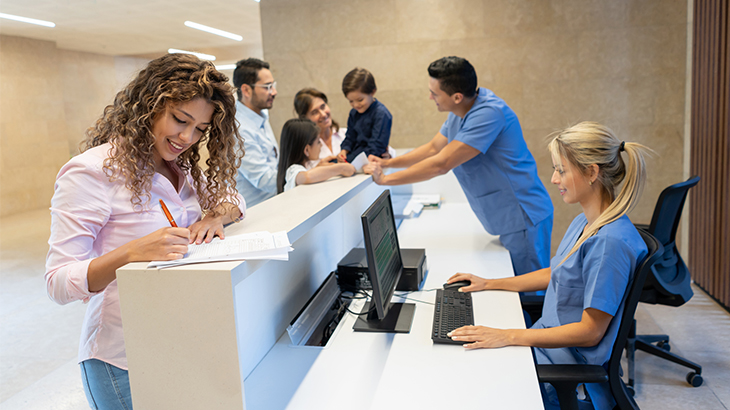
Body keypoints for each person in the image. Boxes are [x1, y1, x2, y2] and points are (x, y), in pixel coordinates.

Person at [44, 53, 246, 410]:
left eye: (200, 129)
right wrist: (131, 253)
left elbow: (234, 197)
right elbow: (58, 282)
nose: (187, 137)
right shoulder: (91, 172)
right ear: (148, 105)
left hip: (180, 343)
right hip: (122, 359)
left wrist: (215, 216)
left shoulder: (180, 167)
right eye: (180, 120)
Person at [446, 122, 650, 410]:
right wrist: (490, 283)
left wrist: (507, 336)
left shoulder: (609, 243)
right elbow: (559, 271)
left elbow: (590, 332)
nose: (554, 179)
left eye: (561, 170)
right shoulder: (587, 221)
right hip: (547, 349)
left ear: (591, 172)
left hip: (567, 375)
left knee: (469, 386)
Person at [364, 56, 553, 275]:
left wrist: (385, 180)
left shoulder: (489, 114)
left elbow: (441, 164)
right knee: (514, 285)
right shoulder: (462, 110)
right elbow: (433, 148)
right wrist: (387, 163)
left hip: (523, 215)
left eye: (435, 93)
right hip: (507, 216)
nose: (430, 97)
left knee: (527, 293)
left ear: (456, 96)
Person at [294, 87, 396, 161]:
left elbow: (386, 149)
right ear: (304, 118)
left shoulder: (346, 134)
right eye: (314, 112)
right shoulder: (306, 148)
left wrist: (388, 156)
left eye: (323, 107)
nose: (323, 114)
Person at [233, 58, 279, 207]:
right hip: (254, 215)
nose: (274, 92)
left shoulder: (261, 116)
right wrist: (301, 175)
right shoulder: (239, 128)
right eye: (267, 87)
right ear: (246, 90)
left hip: (273, 203)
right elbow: (263, 179)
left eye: (273, 85)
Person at [276, 119, 356, 193]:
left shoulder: (306, 167)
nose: (321, 145)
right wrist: (340, 168)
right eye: (318, 142)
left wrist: (319, 166)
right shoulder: (293, 170)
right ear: (307, 150)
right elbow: (306, 177)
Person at [337, 68, 393, 163]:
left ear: (372, 92)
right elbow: (350, 137)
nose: (355, 105)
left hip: (371, 158)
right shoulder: (354, 113)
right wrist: (344, 151)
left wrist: (356, 161)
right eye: (351, 101)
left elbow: (376, 146)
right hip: (355, 155)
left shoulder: (381, 114)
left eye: (360, 100)